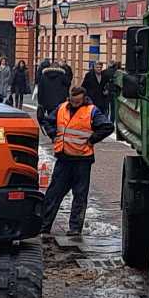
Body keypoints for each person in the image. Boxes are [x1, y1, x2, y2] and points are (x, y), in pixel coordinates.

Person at [41, 85, 114, 238]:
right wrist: (53, 134)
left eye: (77, 102)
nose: (74, 104)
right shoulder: (62, 108)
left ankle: (75, 228)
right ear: (69, 98)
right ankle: (44, 226)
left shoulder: (91, 111)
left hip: (82, 160)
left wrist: (93, 139)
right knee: (53, 194)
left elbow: (107, 126)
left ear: (83, 99)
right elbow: (47, 121)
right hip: (64, 158)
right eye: (72, 101)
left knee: (79, 196)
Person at [36, 60, 73, 136]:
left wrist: (40, 102)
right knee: (58, 117)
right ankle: (56, 132)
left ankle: (52, 133)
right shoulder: (62, 75)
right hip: (59, 101)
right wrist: (66, 69)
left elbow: (40, 89)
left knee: (50, 117)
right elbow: (68, 82)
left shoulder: (44, 76)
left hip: (47, 102)